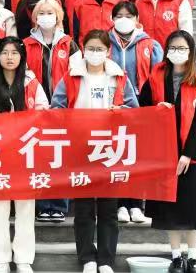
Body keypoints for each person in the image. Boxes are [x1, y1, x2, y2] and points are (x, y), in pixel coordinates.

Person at [51, 29, 138, 273]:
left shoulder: (119, 77)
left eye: (100, 49)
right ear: (83, 49)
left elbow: (135, 110)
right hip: (80, 148)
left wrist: (121, 112)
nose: (95, 53)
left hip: (110, 149)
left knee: (109, 209)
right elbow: (56, 108)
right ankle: (87, 258)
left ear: (108, 51)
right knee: (84, 208)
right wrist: (69, 119)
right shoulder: (71, 76)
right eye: (90, 48)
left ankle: (106, 260)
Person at [139, 31, 196, 273]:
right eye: (173, 48)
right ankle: (176, 257)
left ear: (191, 52)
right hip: (164, 151)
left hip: (192, 155)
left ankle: (193, 257)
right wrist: (156, 108)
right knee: (169, 209)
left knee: (194, 210)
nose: (177, 52)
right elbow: (142, 106)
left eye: (182, 48)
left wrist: (188, 154)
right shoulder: (155, 76)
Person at [0, 37, 48, 273]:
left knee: (25, 207)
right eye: (4, 53)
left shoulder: (31, 81)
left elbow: (43, 112)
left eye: (14, 53)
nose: (9, 57)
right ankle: (0, 259)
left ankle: (23, 259)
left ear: (22, 57)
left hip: (25, 154)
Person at [24, 0, 79, 224]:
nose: (46, 16)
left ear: (58, 17)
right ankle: (42, 205)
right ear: (35, 17)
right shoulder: (26, 44)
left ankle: (58, 205)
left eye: (50, 12)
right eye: (41, 12)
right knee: (38, 157)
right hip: (35, 109)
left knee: (59, 157)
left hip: (62, 109)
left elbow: (76, 76)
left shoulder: (69, 44)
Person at [109, 1, 162, 225]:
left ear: (137, 19)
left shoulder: (150, 44)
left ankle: (137, 204)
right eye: (119, 15)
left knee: (137, 156)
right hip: (113, 105)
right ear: (112, 19)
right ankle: (120, 203)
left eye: (128, 16)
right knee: (118, 154)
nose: (124, 19)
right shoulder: (105, 43)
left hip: (141, 104)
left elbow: (158, 76)